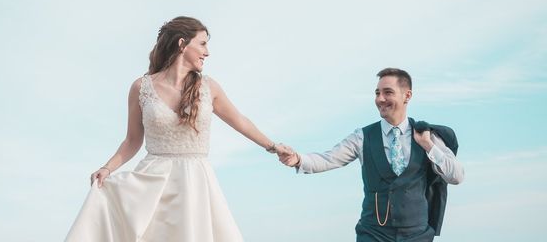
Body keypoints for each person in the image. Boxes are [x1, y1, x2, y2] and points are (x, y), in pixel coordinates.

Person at [65, 16, 285, 242]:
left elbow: (240, 121)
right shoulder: (141, 88)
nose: (207, 52)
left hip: (195, 182)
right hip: (153, 184)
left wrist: (274, 147)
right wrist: (107, 168)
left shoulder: (209, 87)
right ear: (182, 44)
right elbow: (132, 140)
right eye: (202, 43)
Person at [277, 68, 465, 242]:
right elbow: (328, 159)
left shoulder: (427, 136)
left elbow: (456, 176)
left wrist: (428, 145)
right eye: (377, 93)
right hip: (373, 234)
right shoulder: (362, 137)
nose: (380, 99)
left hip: (417, 235)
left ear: (407, 96)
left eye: (388, 92)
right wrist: (298, 159)